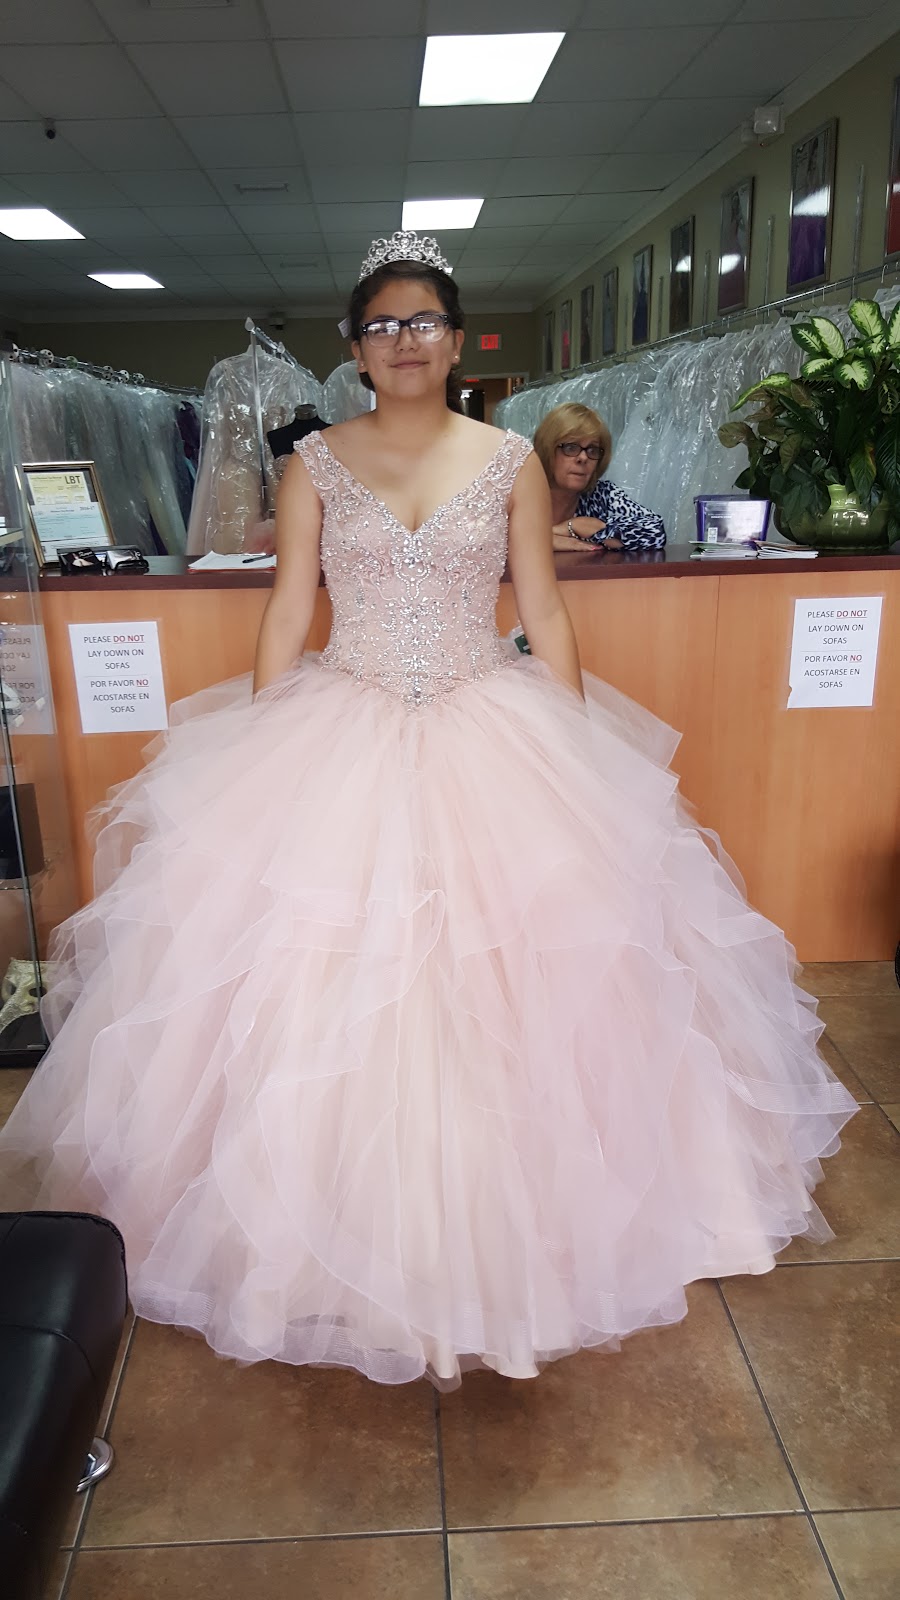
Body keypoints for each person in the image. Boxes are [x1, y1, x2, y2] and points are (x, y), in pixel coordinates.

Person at [0, 231, 855, 1391]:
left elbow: (543, 607)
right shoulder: (313, 463)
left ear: (456, 341)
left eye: (425, 322)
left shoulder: (509, 460)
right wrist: (261, 743)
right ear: (355, 348)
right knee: (315, 972)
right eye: (382, 324)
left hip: (484, 714)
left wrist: (574, 746)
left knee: (527, 973)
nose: (404, 340)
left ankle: (530, 1227)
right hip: (343, 715)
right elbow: (289, 607)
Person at [534, 402, 665, 553]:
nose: (583, 458)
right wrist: (544, 540)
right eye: (571, 447)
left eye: (592, 450)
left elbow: (656, 531)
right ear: (547, 450)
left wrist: (575, 526)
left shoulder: (602, 494)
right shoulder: (520, 492)